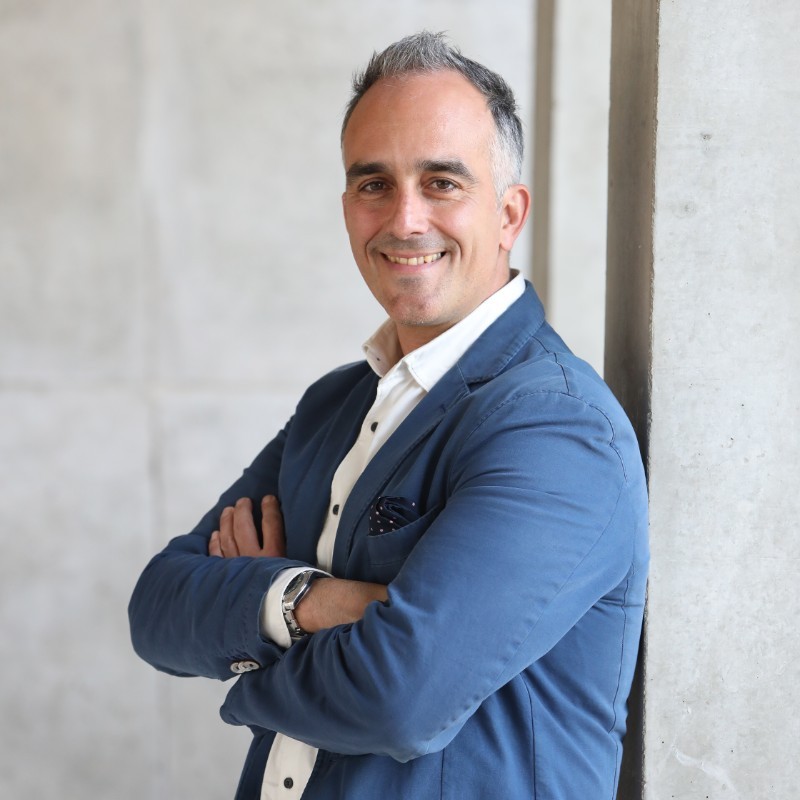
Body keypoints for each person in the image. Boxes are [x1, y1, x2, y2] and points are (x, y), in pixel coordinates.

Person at [129, 31, 648, 800]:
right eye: (374, 183)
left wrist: (250, 661)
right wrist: (309, 603)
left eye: (442, 182)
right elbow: (157, 609)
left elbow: (397, 699)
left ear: (508, 214)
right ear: (348, 208)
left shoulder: (556, 430)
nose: (404, 219)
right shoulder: (334, 407)